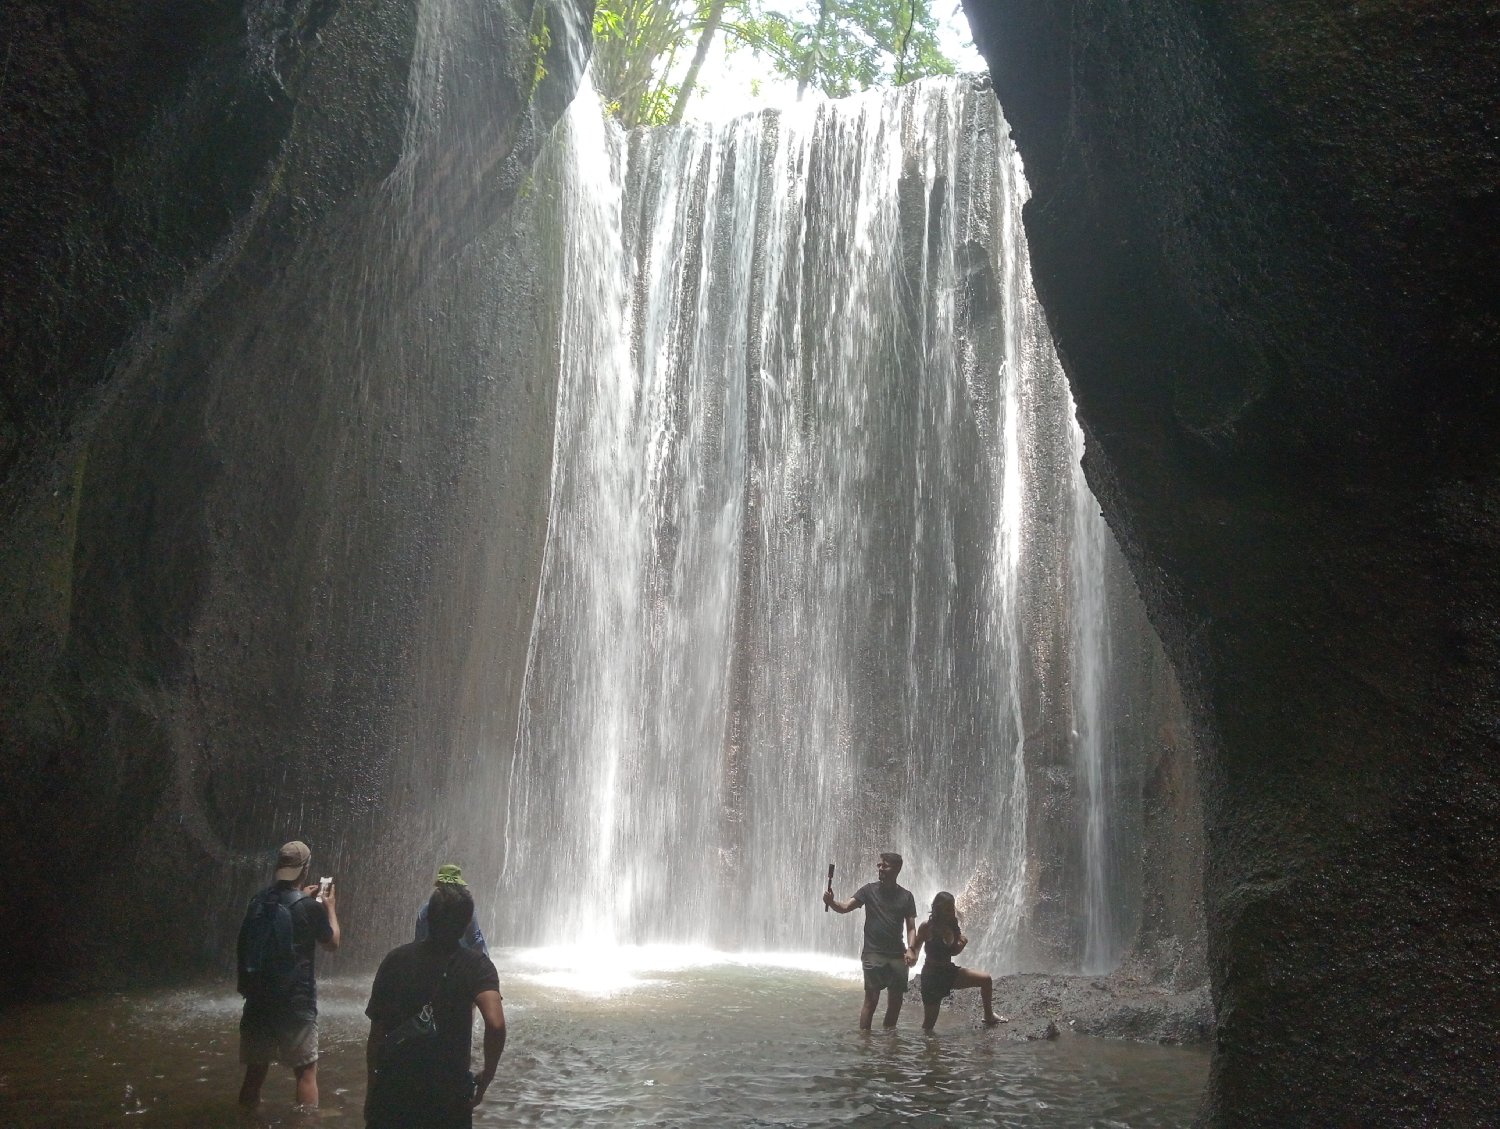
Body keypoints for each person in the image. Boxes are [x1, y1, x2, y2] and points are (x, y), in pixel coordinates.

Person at [364, 882, 506, 1129]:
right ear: (467, 923)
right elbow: (495, 1024)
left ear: (428, 917)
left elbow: (377, 1034)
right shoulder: (477, 966)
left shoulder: (395, 960)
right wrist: (487, 1075)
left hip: (395, 1088)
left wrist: (372, 1088)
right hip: (448, 1093)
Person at [236, 839, 342, 1112]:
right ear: (305, 869)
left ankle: (244, 1120)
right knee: (306, 1073)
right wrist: (329, 907)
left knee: (254, 1074)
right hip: (295, 1001)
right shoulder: (311, 907)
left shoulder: (258, 901)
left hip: (258, 1000)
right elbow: (332, 944)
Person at [823, 851, 918, 1030]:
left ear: (897, 869)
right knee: (871, 1001)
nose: (880, 869)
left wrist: (912, 949)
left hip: (898, 954)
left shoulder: (906, 896)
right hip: (873, 953)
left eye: (885, 866)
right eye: (879, 865)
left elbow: (911, 927)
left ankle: (889, 1041)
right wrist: (832, 902)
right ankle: (865, 1043)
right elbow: (844, 907)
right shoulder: (868, 890)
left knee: (896, 1002)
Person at [911, 890, 1004, 1031]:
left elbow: (953, 951)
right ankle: (928, 1051)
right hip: (931, 977)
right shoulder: (927, 926)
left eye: (951, 907)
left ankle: (989, 1015)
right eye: (947, 908)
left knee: (986, 979)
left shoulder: (953, 924)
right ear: (937, 908)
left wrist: (961, 943)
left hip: (948, 972)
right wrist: (911, 956)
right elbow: (916, 947)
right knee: (929, 1025)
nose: (950, 911)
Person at [414, 864, 489, 955]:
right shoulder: (466, 909)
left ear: (439, 886)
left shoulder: (424, 911)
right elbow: (476, 941)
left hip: (432, 962)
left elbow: (419, 943)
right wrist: (484, 964)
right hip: (462, 963)